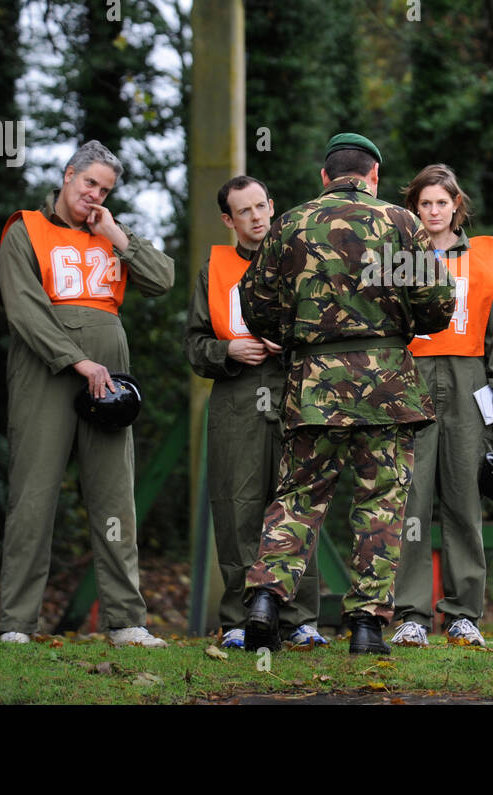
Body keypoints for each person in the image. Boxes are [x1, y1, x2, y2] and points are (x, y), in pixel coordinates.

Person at [239, 132, 454, 654]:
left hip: (312, 386)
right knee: (380, 502)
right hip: (386, 387)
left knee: (298, 496)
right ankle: (364, 626)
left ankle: (267, 597)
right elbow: (439, 306)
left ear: (325, 177)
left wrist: (299, 332)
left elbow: (255, 306)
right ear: (374, 175)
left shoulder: (288, 223)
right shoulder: (402, 223)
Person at [0, 140, 174, 648]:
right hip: (46, 367)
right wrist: (78, 361)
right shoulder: (24, 229)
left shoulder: (109, 232)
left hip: (110, 368)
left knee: (115, 494)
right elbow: (24, 310)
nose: (94, 195)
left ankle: (125, 621)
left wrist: (116, 233)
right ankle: (17, 623)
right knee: (33, 493)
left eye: (105, 189)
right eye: (88, 183)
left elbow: (162, 279)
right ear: (68, 174)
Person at [184, 175, 327, 649]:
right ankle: (241, 621)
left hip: (296, 393)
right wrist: (228, 349)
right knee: (237, 508)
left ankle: (301, 619)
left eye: (262, 206)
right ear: (229, 220)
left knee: (297, 505)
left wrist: (288, 342)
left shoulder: (304, 263)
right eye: (244, 211)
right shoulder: (216, 269)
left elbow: (331, 333)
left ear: (273, 205)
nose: (257, 217)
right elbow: (194, 344)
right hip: (237, 398)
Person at [390, 164, 493, 649]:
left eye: (441, 203)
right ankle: (410, 613)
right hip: (412, 381)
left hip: (470, 383)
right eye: (424, 203)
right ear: (414, 208)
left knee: (465, 501)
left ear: (456, 206)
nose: (433, 211)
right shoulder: (398, 259)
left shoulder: (482, 258)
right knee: (412, 502)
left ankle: (464, 612)